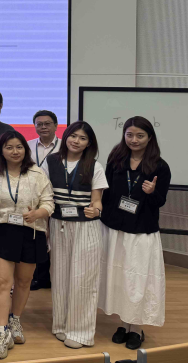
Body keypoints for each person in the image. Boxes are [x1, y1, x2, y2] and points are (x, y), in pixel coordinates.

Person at [99, 117, 170, 350]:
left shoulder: (160, 166)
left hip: (141, 232)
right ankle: (124, 324)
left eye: (140, 135)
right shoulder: (116, 159)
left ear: (149, 137)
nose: (134, 140)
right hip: (115, 229)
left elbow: (160, 202)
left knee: (137, 280)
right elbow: (107, 193)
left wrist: (152, 192)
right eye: (129, 135)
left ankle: (136, 328)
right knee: (119, 278)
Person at [0, 131, 54, 359]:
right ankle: (1, 332)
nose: (15, 151)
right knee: (3, 282)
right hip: (1, 231)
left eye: (19, 147)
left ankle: (15, 320)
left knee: (23, 282)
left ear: (26, 149)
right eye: (9, 147)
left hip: (31, 231)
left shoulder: (37, 173)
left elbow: (49, 203)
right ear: (1, 151)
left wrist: (38, 213)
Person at [46, 121, 107, 349]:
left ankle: (80, 332)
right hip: (58, 224)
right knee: (60, 277)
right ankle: (61, 325)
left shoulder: (94, 165)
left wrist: (96, 210)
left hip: (85, 226)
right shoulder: (51, 161)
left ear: (89, 143)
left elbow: (97, 200)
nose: (76, 141)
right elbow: (44, 193)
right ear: (66, 137)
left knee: (83, 278)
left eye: (82, 138)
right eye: (73, 136)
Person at [27, 110, 61, 292]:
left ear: (55, 125)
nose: (43, 127)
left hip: (57, 196)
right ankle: (39, 277)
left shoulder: (65, 146)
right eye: (39, 124)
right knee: (38, 235)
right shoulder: (27, 146)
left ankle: (55, 276)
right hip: (32, 197)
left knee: (55, 237)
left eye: (47, 123)